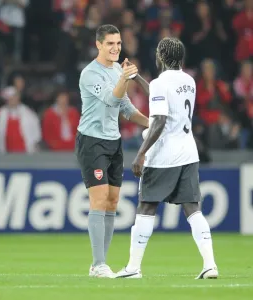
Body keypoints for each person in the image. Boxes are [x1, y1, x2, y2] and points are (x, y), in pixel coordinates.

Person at [115, 37, 218, 279]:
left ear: (160, 57)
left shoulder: (162, 83)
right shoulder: (189, 81)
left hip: (164, 154)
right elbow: (163, 98)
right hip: (188, 152)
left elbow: (159, 119)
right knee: (193, 209)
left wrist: (140, 154)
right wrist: (138, 78)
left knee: (146, 207)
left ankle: (133, 268)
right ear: (180, 58)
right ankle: (210, 264)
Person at [75, 24, 150, 278]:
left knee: (112, 202)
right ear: (98, 45)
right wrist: (123, 78)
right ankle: (98, 265)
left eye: (118, 43)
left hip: (113, 141)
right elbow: (111, 99)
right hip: (92, 141)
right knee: (99, 198)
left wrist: (153, 123)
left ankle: (101, 263)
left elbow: (126, 109)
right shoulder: (90, 74)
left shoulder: (118, 69)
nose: (116, 48)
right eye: (110, 43)